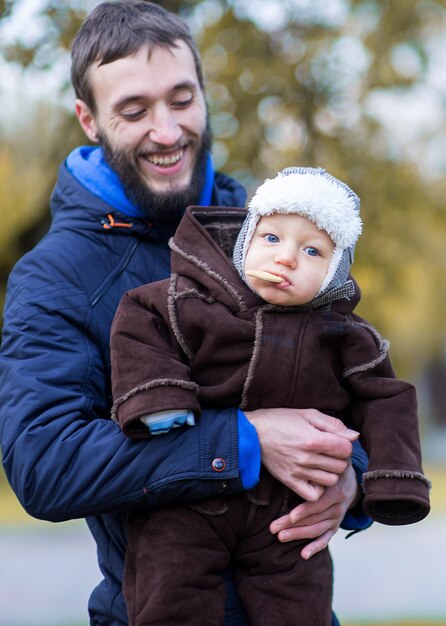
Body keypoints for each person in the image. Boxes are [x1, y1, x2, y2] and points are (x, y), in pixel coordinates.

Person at [0, 3, 370, 625]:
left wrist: (351, 479)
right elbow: (46, 463)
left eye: (181, 99)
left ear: (204, 94)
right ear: (89, 120)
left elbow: (353, 382)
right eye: (135, 111)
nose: (168, 132)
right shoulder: (54, 275)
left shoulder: (275, 230)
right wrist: (246, 442)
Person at [110, 166, 430, 625]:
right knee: (171, 591)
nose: (286, 259)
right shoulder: (189, 301)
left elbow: (387, 398)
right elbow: (140, 325)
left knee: (299, 605)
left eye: (313, 250)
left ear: (334, 272)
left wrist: (391, 479)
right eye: (272, 238)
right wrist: (159, 399)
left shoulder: (345, 334)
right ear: (245, 241)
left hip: (291, 508)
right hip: (191, 495)